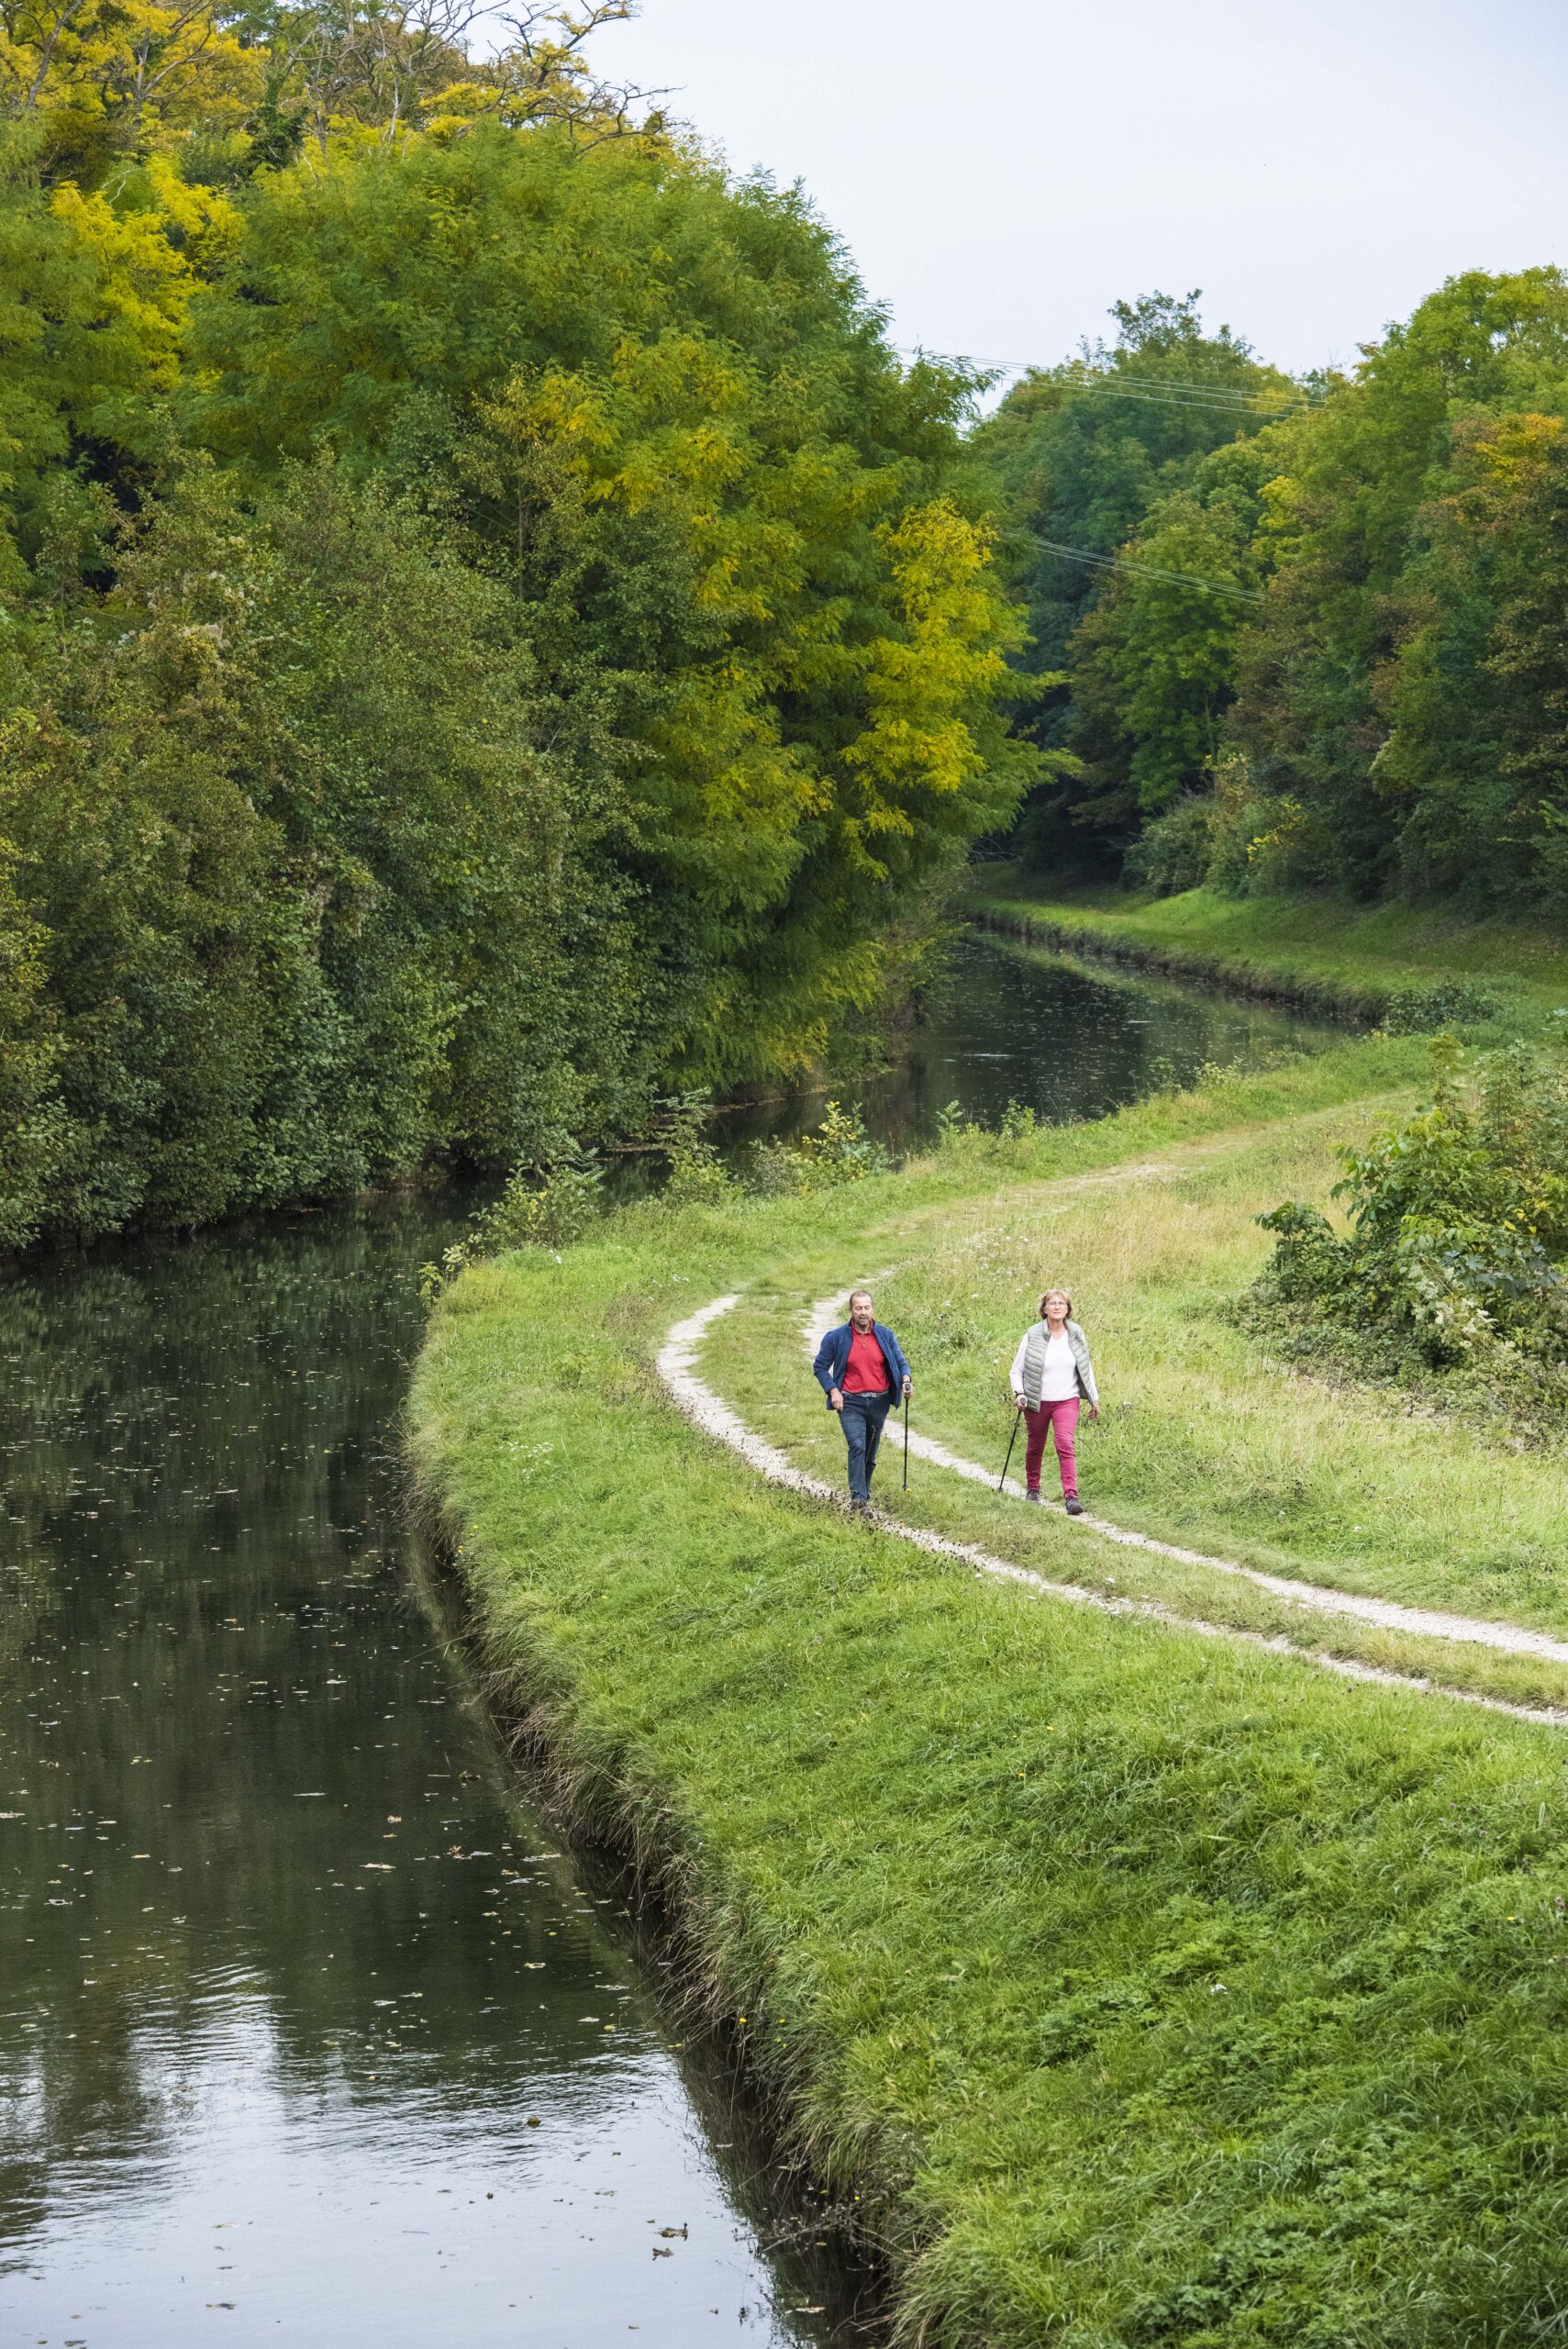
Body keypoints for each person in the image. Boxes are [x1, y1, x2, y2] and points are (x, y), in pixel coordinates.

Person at [812, 1288, 913, 1514]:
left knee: (869, 1452)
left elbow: (900, 1362)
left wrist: (906, 1380)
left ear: (873, 1309)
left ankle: (862, 1496)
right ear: (851, 1311)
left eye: (867, 1307)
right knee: (857, 1446)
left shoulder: (885, 1335)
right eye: (858, 1308)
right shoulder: (837, 1337)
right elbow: (820, 1367)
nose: (863, 1312)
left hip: (879, 1402)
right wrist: (833, 1391)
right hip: (850, 1402)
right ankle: (858, 1500)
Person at [1009, 1287, 1099, 1514]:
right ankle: (1033, 1489)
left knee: (1065, 1444)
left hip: (1066, 1400)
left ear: (1068, 1310)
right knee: (1035, 1446)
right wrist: (1019, 1393)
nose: (1057, 1306)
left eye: (1062, 1303)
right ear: (1045, 1308)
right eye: (1052, 1303)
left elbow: (1086, 1369)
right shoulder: (1032, 1335)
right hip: (1037, 1400)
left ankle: (1071, 1497)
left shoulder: (1076, 1334)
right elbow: (1015, 1371)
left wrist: (1094, 1398)